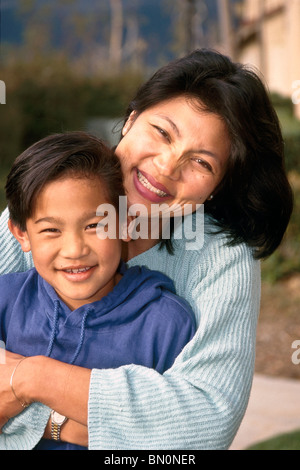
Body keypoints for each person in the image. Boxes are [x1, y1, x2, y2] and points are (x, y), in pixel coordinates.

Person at [0, 48, 293, 450]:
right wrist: (108, 427)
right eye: (162, 132)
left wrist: (32, 381)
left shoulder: (221, 258)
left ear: (217, 186)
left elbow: (206, 422)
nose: (168, 166)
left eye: (202, 163)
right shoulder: (49, 198)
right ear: (132, 118)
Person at [0, 131, 196, 450]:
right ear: (21, 234)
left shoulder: (167, 324)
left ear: (125, 223)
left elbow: (175, 438)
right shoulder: (5, 301)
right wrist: (75, 428)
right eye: (51, 230)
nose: (75, 249)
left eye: (95, 225)